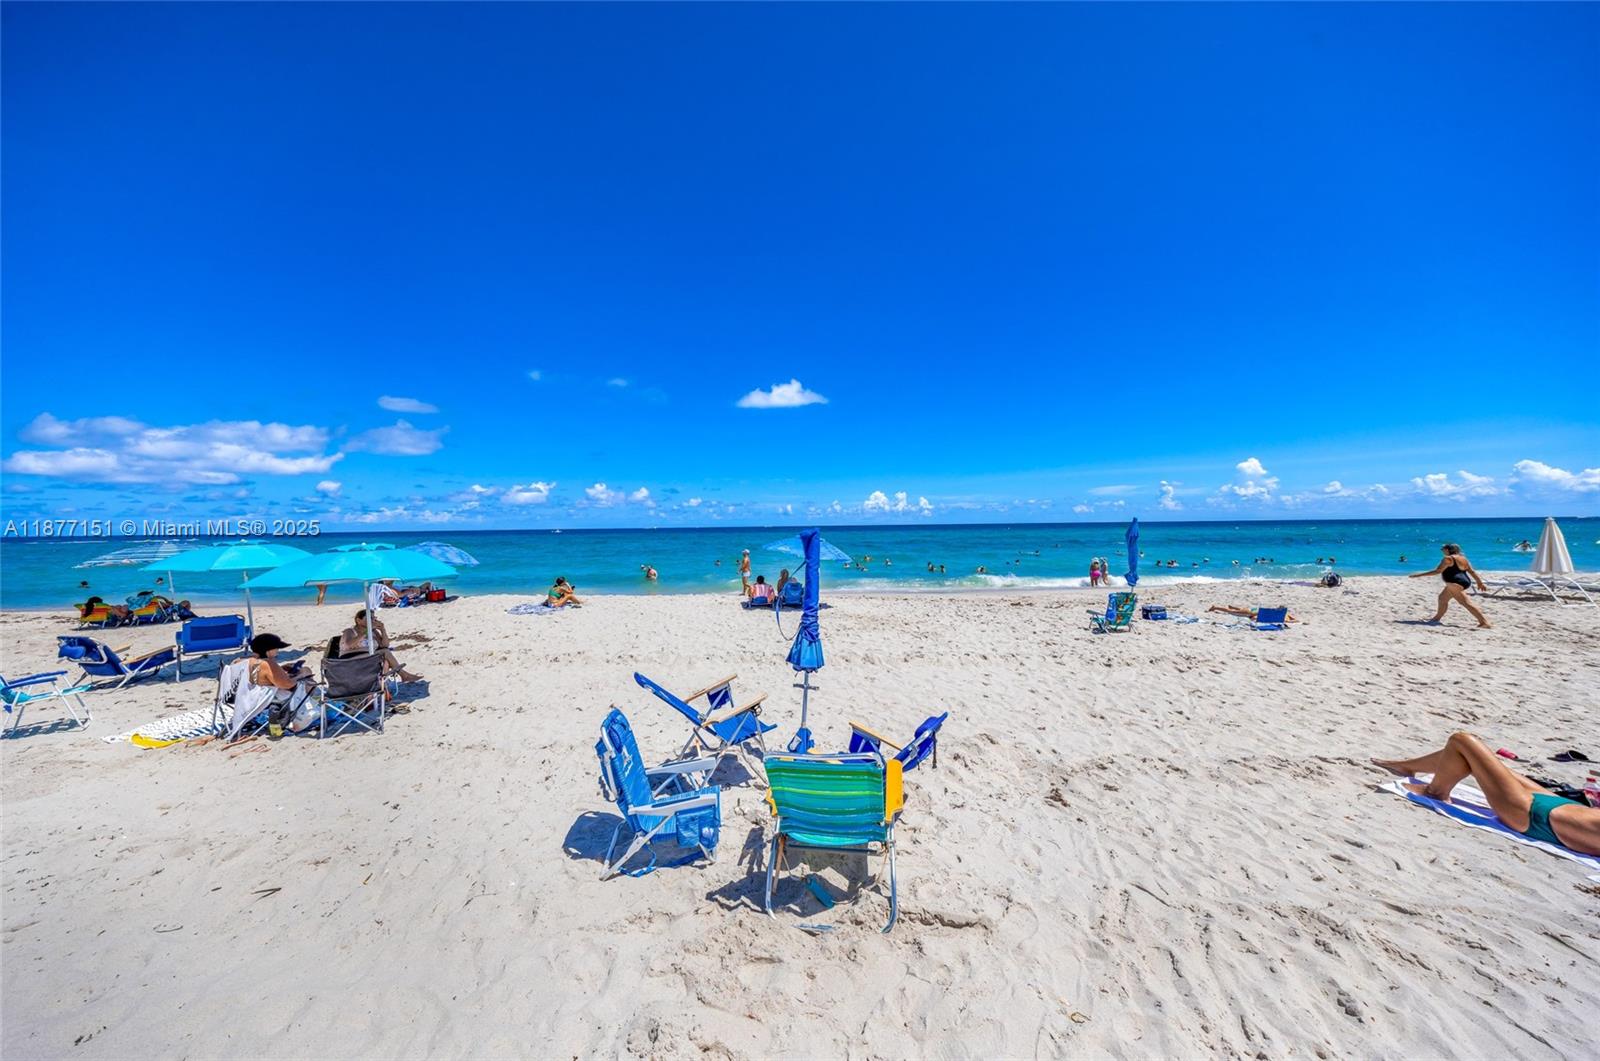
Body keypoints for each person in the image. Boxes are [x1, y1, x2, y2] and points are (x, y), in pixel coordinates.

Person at [1374, 732, 1600, 855]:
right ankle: (1405, 766)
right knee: (1481, 761)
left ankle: (1435, 791)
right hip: (1560, 805)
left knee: (1463, 741)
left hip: (1533, 816)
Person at [245, 633, 318, 738]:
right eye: (276, 648)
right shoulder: (268, 664)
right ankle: (308, 706)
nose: (278, 650)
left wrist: (281, 669)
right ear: (268, 650)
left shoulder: (252, 661)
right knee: (306, 673)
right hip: (269, 700)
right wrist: (300, 676)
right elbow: (287, 685)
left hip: (254, 697)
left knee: (302, 673)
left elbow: (263, 677)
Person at [1408, 543, 1490, 628]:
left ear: (1447, 550)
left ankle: (1484, 622)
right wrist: (1479, 582)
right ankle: (1436, 618)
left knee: (1466, 602)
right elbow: (1471, 571)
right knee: (1442, 598)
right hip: (1464, 581)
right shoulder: (1463, 558)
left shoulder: (1448, 559)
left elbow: (1438, 571)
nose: (1442, 551)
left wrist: (1419, 575)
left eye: (1442, 549)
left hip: (1454, 583)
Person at [340, 609, 423, 682]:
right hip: (353, 660)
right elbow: (348, 645)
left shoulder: (373, 632)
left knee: (386, 656)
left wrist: (383, 630)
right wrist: (367, 631)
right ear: (358, 620)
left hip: (368, 659)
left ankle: (383, 684)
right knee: (385, 653)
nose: (373, 620)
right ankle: (404, 675)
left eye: (374, 618)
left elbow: (385, 645)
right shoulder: (350, 631)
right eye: (370, 618)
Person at [1207, 604, 1298, 622]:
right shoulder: (1284, 616)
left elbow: (1295, 620)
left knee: (1241, 611)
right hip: (1251, 613)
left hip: (1254, 611)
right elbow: (1295, 620)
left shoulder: (1274, 613)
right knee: (1231, 612)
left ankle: (1234, 607)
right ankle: (1215, 607)